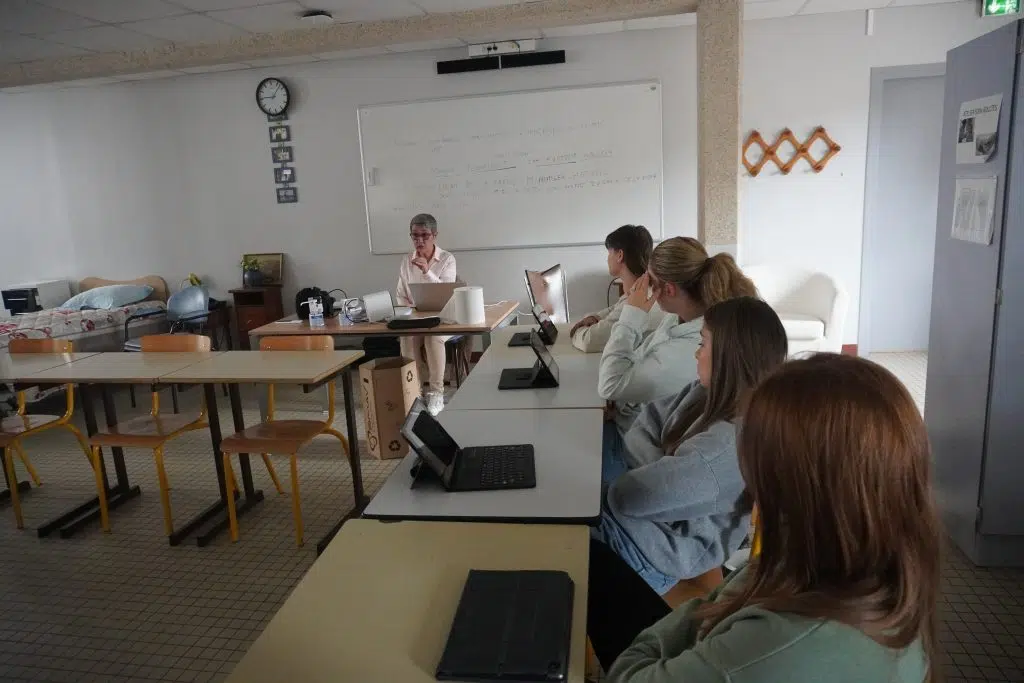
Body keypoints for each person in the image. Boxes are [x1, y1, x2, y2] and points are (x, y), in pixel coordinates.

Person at [587, 353, 941, 683]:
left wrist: (700, 622)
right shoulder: (884, 583)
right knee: (594, 561)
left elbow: (629, 671)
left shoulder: (773, 646)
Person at [593, 297, 788, 595]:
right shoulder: (706, 391)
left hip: (648, 554)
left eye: (703, 343)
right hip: (636, 524)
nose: (697, 354)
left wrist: (662, 468)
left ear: (729, 356)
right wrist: (667, 467)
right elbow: (641, 426)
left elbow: (625, 496)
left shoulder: (724, 449)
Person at [599, 237, 757, 434]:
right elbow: (638, 360)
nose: (641, 287)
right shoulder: (678, 317)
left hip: (638, 444)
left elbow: (609, 385)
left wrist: (630, 316)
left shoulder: (693, 347)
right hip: (635, 417)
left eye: (650, 281)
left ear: (669, 289)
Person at [395, 213, 456, 415]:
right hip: (416, 316)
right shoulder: (406, 261)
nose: (419, 240)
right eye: (415, 235)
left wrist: (426, 271)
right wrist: (407, 311)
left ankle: (436, 393)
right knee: (407, 337)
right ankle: (414, 392)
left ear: (435, 235)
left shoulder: (447, 259)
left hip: (443, 316)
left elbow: (445, 295)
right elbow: (401, 295)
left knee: (434, 338)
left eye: (425, 235)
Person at [569, 225, 665, 353]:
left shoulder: (639, 300)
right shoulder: (641, 290)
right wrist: (595, 317)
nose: (607, 258)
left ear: (620, 255)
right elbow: (613, 310)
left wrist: (578, 329)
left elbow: (589, 341)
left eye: (609, 253)